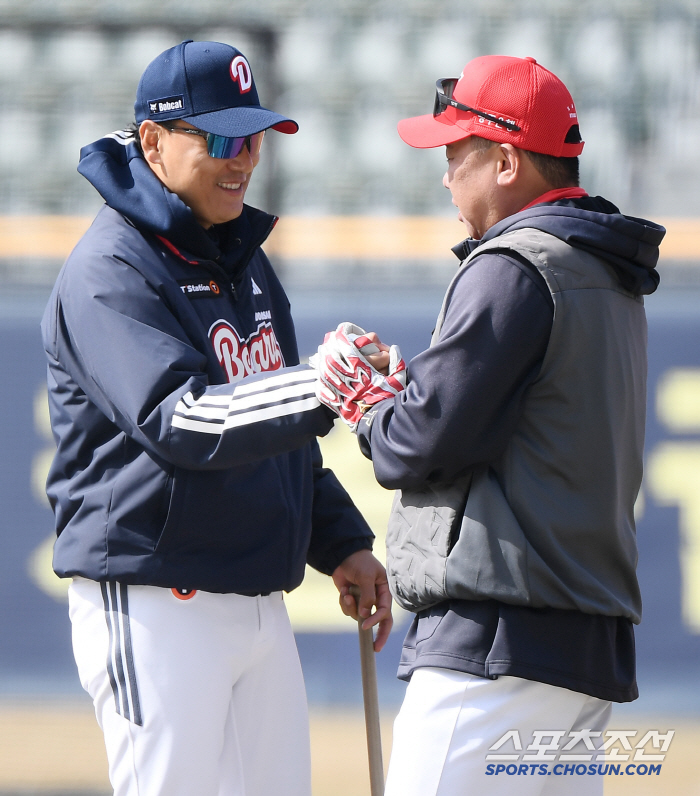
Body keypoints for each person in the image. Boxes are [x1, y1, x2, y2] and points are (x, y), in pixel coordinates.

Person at [41, 40, 391, 796]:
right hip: (156, 601)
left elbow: (274, 431)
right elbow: (184, 421)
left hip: (258, 600)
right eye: (222, 139)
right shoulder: (111, 267)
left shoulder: (240, 258)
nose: (244, 159)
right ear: (153, 142)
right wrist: (315, 387)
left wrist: (341, 544)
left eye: (255, 138)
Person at [313, 55, 665, 795]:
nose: (444, 175)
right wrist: (408, 394)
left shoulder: (515, 263)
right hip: (580, 653)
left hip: (497, 647)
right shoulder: (603, 269)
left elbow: (417, 443)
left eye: (454, 152)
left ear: (506, 160)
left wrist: (367, 401)